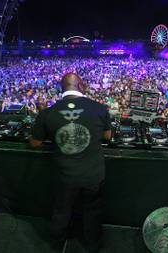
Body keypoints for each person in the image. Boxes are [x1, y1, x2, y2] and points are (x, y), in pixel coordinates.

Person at [30, 73, 112, 252]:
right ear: (81, 86)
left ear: (62, 88)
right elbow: (107, 136)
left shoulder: (47, 113)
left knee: (61, 210)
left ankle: (58, 243)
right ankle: (93, 244)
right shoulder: (99, 109)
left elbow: (35, 143)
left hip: (64, 176)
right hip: (93, 175)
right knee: (92, 211)